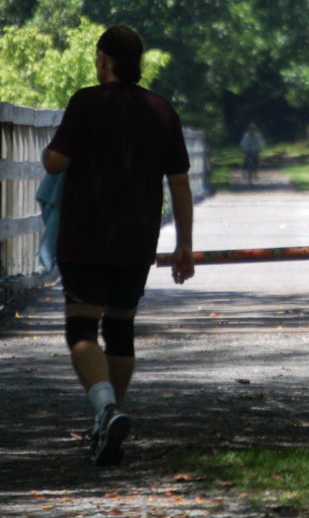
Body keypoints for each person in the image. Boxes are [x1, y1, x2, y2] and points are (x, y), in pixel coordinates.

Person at [41, 25, 195, 466]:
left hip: (85, 234)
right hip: (137, 235)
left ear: (103, 59)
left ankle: (105, 407)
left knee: (82, 330)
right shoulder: (161, 109)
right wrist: (185, 244)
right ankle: (107, 421)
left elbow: (55, 162)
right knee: (122, 327)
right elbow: (179, 182)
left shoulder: (86, 101)